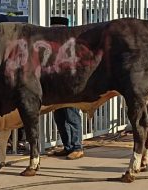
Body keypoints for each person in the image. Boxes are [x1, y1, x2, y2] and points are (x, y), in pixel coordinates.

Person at [50, 16, 84, 160]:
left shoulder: (72, 45)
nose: (55, 31)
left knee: (72, 115)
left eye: (58, 29)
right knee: (59, 117)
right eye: (53, 29)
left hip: (70, 86)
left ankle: (77, 147)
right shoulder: (49, 45)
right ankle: (67, 146)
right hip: (55, 87)